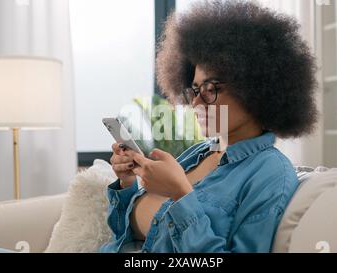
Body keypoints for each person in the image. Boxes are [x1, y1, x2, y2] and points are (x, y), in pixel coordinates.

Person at [99, 0, 318, 253]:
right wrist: (127, 183)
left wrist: (181, 194)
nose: (195, 102)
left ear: (256, 90)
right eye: (194, 89)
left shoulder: (271, 175)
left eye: (211, 89)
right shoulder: (200, 152)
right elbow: (123, 234)